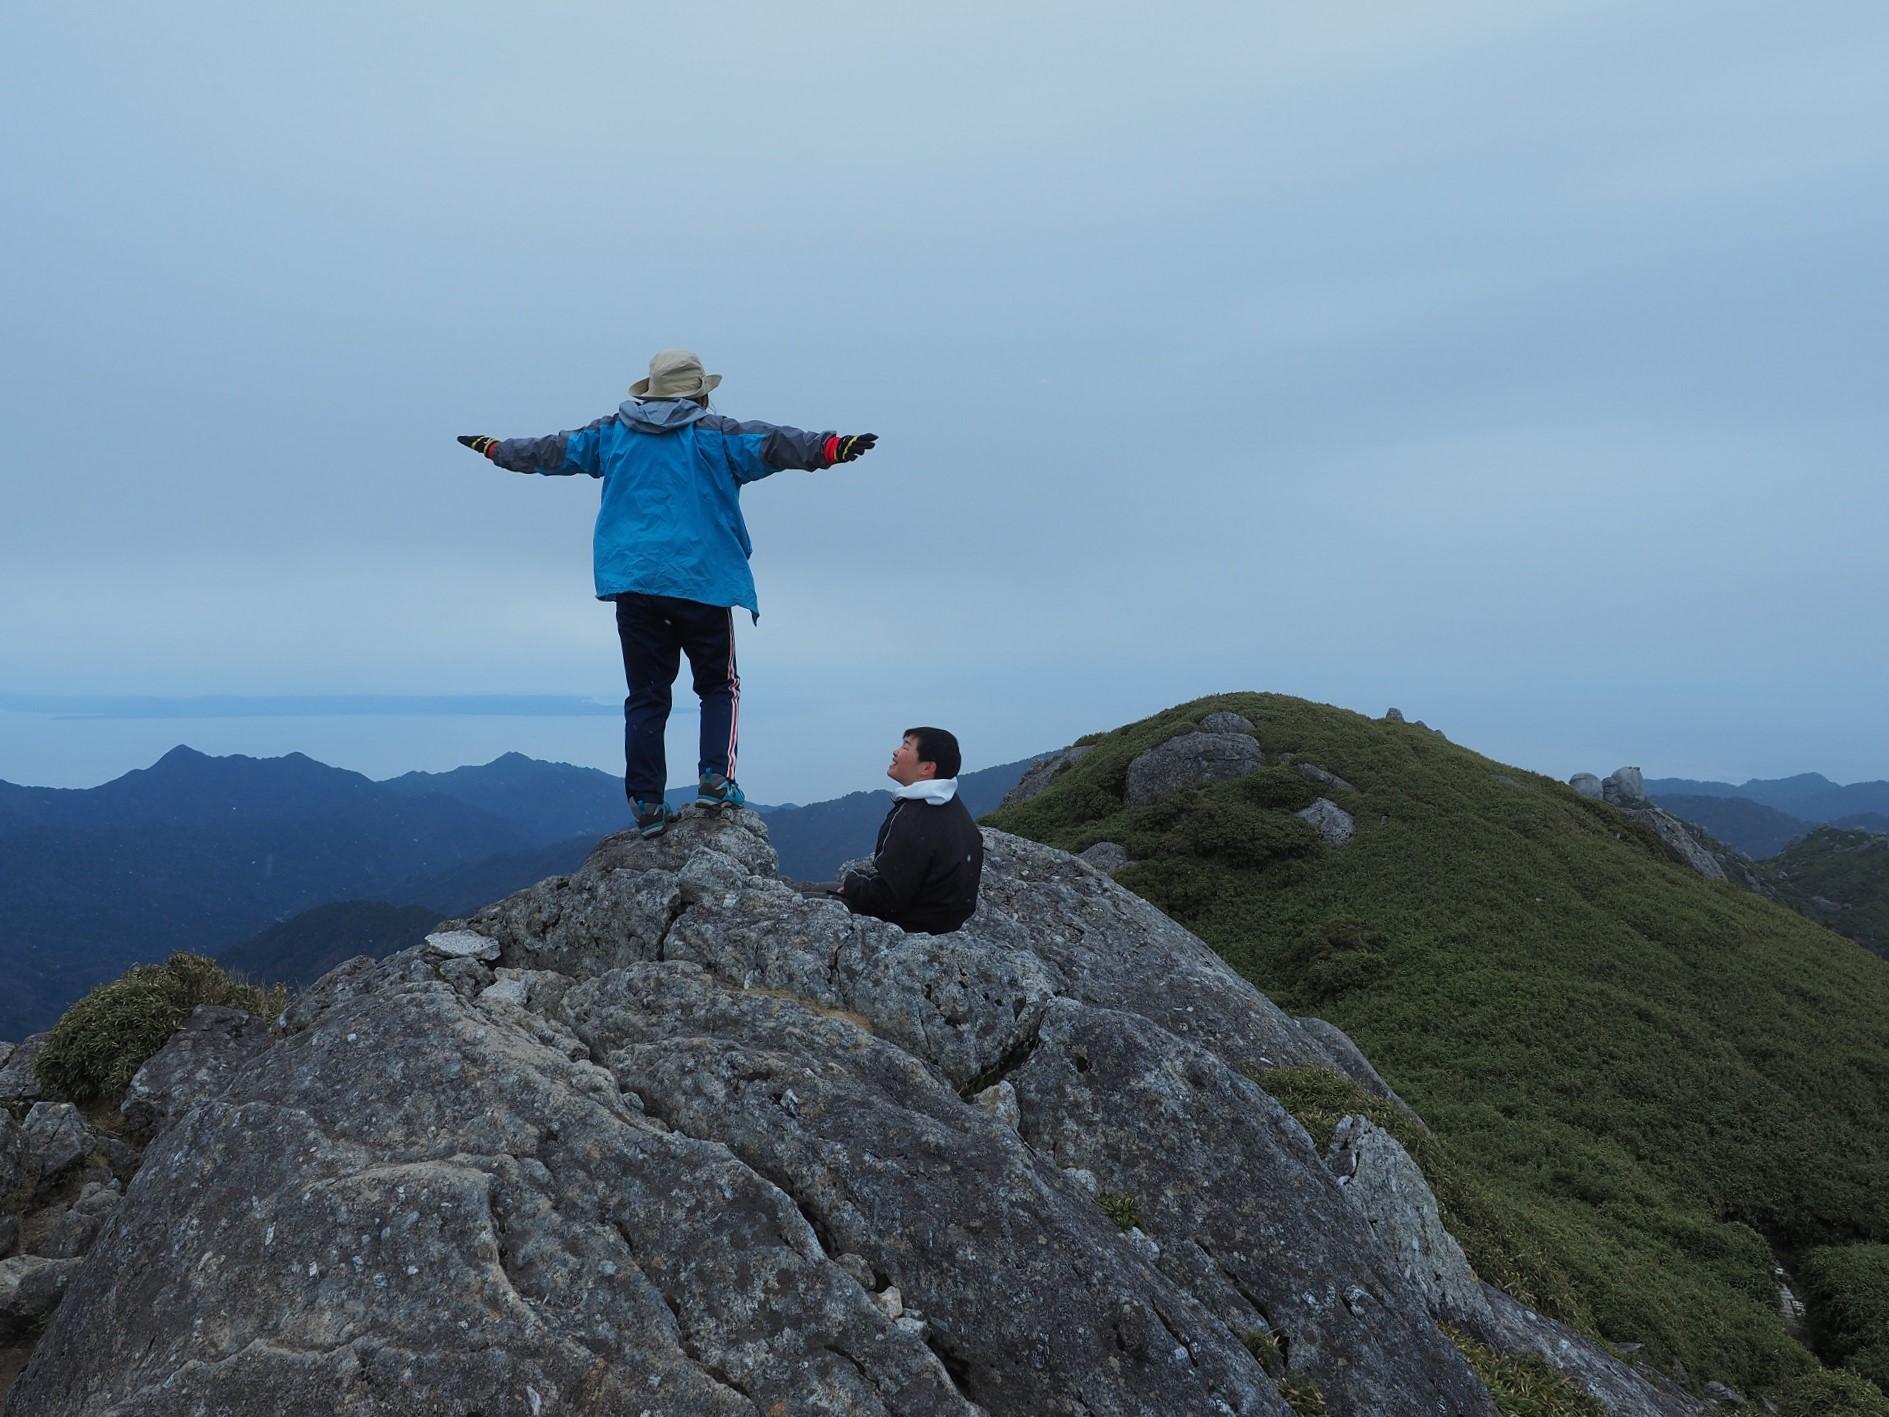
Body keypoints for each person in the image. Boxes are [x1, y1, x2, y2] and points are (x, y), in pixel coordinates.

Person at [458, 350, 876, 837]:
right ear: (701, 392)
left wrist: (495, 448)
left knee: (647, 695)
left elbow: (551, 450)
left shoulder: (612, 433)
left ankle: (646, 804)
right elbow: (777, 444)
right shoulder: (715, 435)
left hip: (634, 582)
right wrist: (834, 447)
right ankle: (716, 780)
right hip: (702, 581)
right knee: (719, 686)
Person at [839, 727, 984, 934]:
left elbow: (887, 900)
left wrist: (852, 881)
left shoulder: (913, 818)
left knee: (806, 902)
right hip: (943, 925)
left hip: (909, 928)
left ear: (927, 768)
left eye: (906, 746)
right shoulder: (954, 809)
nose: (896, 752)